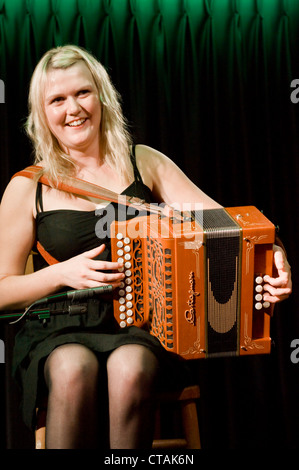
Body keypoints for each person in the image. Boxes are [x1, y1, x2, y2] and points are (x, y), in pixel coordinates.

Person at [0, 45, 292, 449]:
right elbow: (2, 292)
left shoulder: (144, 162)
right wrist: (58, 274)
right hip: (60, 326)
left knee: (131, 367)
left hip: (142, 326)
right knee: (71, 368)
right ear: (42, 113)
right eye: (58, 100)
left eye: (83, 93)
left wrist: (274, 252)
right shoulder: (26, 187)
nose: (73, 109)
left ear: (102, 95)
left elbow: (225, 225)